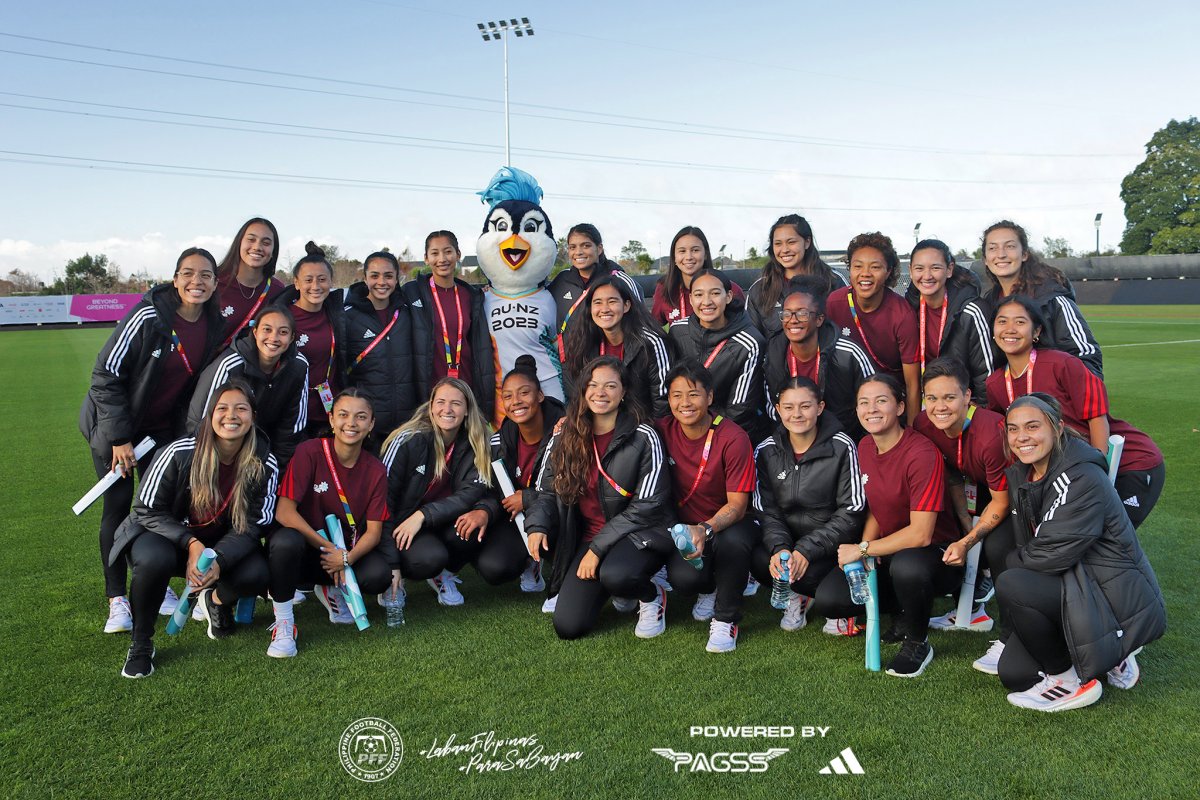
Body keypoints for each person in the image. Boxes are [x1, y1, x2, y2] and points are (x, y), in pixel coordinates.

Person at [80, 247, 226, 634]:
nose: (198, 281)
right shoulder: (149, 315)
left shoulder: (214, 321)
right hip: (116, 431)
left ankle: (153, 582)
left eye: (206, 275)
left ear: (215, 283)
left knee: (158, 507)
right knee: (117, 507)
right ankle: (117, 600)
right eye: (189, 274)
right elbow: (105, 375)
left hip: (162, 432)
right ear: (175, 279)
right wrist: (119, 438)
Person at [997, 393, 1165, 712]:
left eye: (1033, 426)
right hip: (1073, 582)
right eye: (1013, 429)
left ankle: (1071, 680)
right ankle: (1104, 653)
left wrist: (1013, 563)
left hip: (1105, 592)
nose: (1022, 437)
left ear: (1058, 428)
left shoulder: (1081, 475)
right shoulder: (1022, 473)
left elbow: (1051, 554)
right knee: (1015, 673)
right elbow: (1032, 546)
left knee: (1012, 581)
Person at [110, 379, 277, 677]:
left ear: (253, 416)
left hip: (220, 545)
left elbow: (255, 524)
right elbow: (146, 510)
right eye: (222, 408)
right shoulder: (178, 452)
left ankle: (215, 601)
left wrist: (219, 561)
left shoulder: (264, 461)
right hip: (167, 539)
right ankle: (141, 643)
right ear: (210, 414)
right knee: (152, 560)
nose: (231, 416)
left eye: (241, 408)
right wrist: (191, 544)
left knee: (257, 573)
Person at [524, 356, 673, 640]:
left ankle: (651, 594)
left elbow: (648, 505)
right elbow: (547, 490)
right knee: (568, 627)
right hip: (589, 538)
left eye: (610, 386)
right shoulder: (566, 433)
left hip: (637, 534)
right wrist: (537, 526)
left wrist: (596, 550)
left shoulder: (644, 435)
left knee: (617, 575)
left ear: (624, 392)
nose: (600, 393)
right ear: (582, 390)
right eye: (592, 385)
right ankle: (613, 585)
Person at [986, 296, 1165, 527]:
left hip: (1128, 464)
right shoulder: (995, 384)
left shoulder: (1062, 364)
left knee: (1108, 540)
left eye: (1020, 322)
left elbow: (1097, 418)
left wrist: (1098, 473)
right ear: (993, 330)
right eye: (1002, 322)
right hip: (1067, 474)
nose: (1010, 329)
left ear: (1036, 331)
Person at [835, 374, 963, 678]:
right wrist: (866, 553)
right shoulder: (865, 446)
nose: (872, 409)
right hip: (890, 549)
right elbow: (879, 508)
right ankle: (901, 614)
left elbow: (921, 534)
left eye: (882, 401)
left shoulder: (921, 453)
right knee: (832, 598)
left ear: (901, 406)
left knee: (907, 567)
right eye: (864, 403)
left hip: (937, 555)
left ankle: (918, 642)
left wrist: (864, 548)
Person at [269, 389, 392, 656]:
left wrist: (346, 558)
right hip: (309, 549)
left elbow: (373, 532)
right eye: (344, 415)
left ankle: (329, 588)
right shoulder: (309, 452)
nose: (352, 423)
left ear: (371, 424)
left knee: (378, 576)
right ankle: (284, 621)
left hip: (342, 551)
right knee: (284, 541)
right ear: (332, 419)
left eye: (361, 417)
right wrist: (329, 549)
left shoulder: (375, 469)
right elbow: (284, 512)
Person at [914, 357, 1013, 673]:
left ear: (968, 396)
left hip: (1023, 497)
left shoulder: (989, 434)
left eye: (949, 397)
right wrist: (963, 524)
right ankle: (971, 609)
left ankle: (1012, 639)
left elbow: (1002, 501)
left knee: (999, 549)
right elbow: (953, 476)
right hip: (979, 487)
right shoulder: (923, 424)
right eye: (932, 398)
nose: (939, 406)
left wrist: (969, 539)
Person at [655, 362, 758, 652]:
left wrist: (705, 529)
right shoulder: (661, 430)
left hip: (729, 524)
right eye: (676, 395)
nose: (684, 403)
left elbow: (738, 506)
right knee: (684, 581)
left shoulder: (732, 437)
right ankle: (709, 585)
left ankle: (727, 618)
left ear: (710, 397)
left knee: (733, 543)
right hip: (684, 528)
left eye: (693, 394)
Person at [750, 377, 866, 635]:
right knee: (759, 559)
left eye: (805, 406)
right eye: (789, 407)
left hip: (830, 549)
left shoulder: (842, 446)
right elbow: (766, 510)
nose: (797, 414)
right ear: (778, 410)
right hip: (791, 543)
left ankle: (832, 603)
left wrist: (805, 550)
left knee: (830, 598)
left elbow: (852, 511)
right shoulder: (766, 450)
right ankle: (796, 597)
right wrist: (782, 549)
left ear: (820, 407)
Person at [380, 378, 494, 608]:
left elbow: (470, 493)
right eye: (441, 402)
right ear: (431, 405)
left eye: (456, 403)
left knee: (472, 528)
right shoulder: (409, 439)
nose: (447, 409)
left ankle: (444, 574)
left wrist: (422, 515)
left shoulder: (478, 440)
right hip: (400, 526)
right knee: (429, 559)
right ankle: (393, 580)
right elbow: (383, 502)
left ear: (467, 409)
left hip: (433, 521)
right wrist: (390, 564)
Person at [474, 355, 567, 601]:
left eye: (524, 393)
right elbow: (496, 491)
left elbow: (574, 491)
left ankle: (562, 568)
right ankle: (531, 562)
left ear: (539, 396)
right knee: (494, 567)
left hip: (562, 518)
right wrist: (485, 509)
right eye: (508, 396)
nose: (516, 401)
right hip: (521, 518)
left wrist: (527, 498)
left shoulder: (566, 431)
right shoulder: (503, 437)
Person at [187, 305, 310, 471]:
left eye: (283, 332)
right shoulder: (229, 365)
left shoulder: (299, 366)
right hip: (220, 452)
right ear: (255, 332)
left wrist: (278, 469)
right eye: (267, 329)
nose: (274, 338)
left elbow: (291, 427)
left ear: (292, 337)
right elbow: (201, 420)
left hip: (263, 451)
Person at [980, 220, 1103, 377]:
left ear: (1024, 254)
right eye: (992, 248)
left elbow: (1088, 358)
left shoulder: (1051, 298)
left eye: (1010, 246)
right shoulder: (988, 303)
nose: (1001, 254)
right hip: (1013, 397)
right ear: (985, 258)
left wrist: (1054, 395)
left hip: (1050, 398)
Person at [825, 232, 921, 424]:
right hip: (845, 402)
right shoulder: (834, 303)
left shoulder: (901, 313)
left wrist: (912, 430)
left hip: (887, 403)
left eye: (875, 267)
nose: (865, 274)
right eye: (857, 266)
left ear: (888, 271)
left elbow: (913, 384)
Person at [763, 277, 874, 439]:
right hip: (794, 439)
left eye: (802, 313)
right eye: (787, 313)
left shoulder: (847, 353)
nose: (793, 320)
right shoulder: (774, 353)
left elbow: (874, 400)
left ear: (819, 319)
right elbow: (773, 405)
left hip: (843, 439)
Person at [666, 268, 768, 442]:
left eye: (714, 293)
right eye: (698, 294)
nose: (706, 302)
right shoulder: (678, 330)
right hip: (683, 427)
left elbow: (739, 410)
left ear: (728, 296)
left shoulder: (749, 342)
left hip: (725, 434)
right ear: (691, 299)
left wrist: (705, 436)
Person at [404, 230, 495, 421]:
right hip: (430, 391)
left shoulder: (472, 295)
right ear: (426, 259)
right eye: (435, 253)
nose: (442, 259)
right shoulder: (412, 293)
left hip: (466, 388)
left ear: (458, 254)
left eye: (448, 252)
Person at [562, 274, 673, 418]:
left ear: (626, 305)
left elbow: (663, 403)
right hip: (599, 425)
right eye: (598, 302)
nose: (605, 309)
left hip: (641, 427)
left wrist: (646, 436)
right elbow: (579, 395)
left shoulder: (650, 343)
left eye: (612, 301)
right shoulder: (583, 342)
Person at [903, 239, 994, 404]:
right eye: (919, 268)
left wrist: (981, 412)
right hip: (927, 400)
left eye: (936, 268)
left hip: (963, 402)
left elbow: (985, 374)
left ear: (949, 269)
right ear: (910, 271)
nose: (927, 276)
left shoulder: (971, 312)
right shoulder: (908, 309)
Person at [342, 251, 418, 441]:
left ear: (397, 278)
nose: (381, 282)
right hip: (368, 422)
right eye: (374, 276)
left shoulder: (408, 312)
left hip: (407, 420)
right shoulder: (347, 316)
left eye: (388, 276)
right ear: (365, 278)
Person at [277, 242, 346, 436]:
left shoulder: (337, 315)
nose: (315, 286)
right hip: (291, 411)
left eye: (322, 279)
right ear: (297, 283)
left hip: (327, 409)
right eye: (308, 280)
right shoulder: (283, 318)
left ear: (331, 282)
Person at [747, 214, 846, 339]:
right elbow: (753, 338)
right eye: (778, 244)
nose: (784, 250)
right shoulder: (760, 289)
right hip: (776, 359)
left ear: (807, 242)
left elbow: (848, 327)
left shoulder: (833, 280)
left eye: (791, 242)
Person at [548, 222, 643, 349]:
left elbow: (641, 323)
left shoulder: (619, 279)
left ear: (599, 248)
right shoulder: (562, 280)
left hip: (607, 363)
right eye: (572, 247)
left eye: (586, 246)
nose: (578, 252)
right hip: (568, 364)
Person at [213, 217, 288, 347]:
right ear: (239, 243)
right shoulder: (214, 283)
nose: (257, 247)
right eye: (251, 239)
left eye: (266, 243)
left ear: (273, 251)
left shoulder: (277, 290)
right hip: (210, 365)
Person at [651, 226, 746, 327]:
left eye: (695, 250)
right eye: (682, 251)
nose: (689, 257)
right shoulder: (664, 289)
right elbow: (653, 328)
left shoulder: (729, 289)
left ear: (705, 254)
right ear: (674, 257)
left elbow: (745, 327)